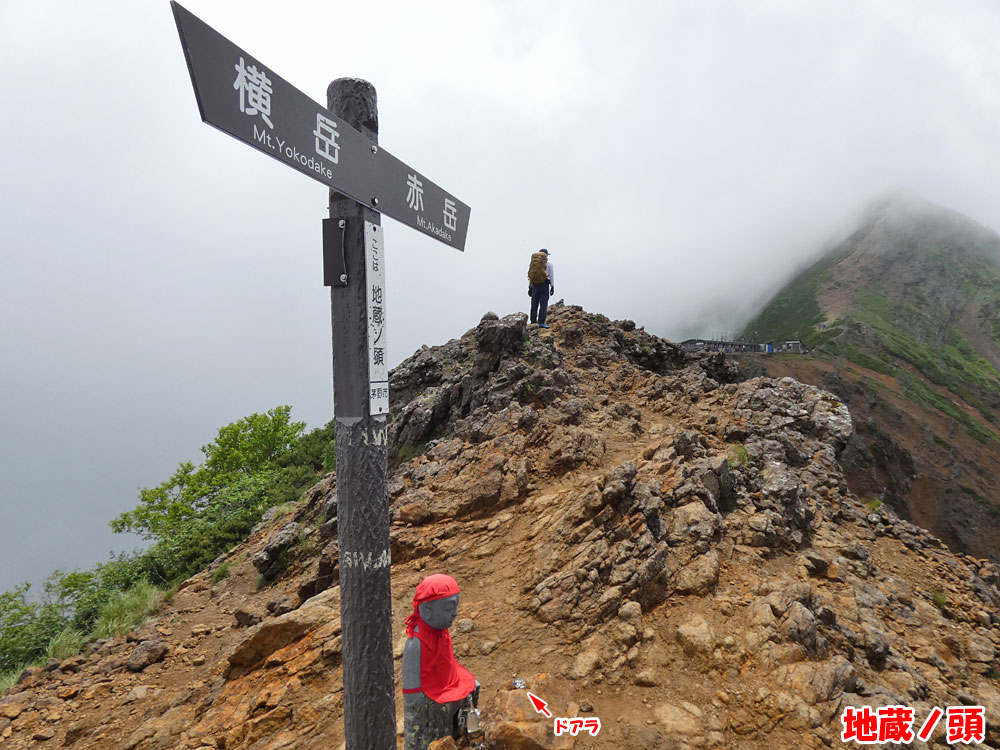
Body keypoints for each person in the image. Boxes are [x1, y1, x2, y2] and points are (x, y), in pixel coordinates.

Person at [402, 574, 480, 750]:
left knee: (473, 687)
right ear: (427, 610)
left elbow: (448, 663)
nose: (455, 613)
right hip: (427, 697)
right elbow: (412, 692)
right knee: (438, 715)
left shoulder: (442, 633)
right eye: (449, 608)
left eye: (455, 607)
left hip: (447, 682)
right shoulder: (416, 643)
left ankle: (463, 735)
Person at [527, 248, 555, 328]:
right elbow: (551, 275)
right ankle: (541, 323)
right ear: (546, 255)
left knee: (534, 304)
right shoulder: (549, 264)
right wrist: (552, 286)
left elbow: (531, 276)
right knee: (543, 304)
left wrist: (529, 287)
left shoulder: (534, 263)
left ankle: (533, 322)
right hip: (544, 285)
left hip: (535, 285)